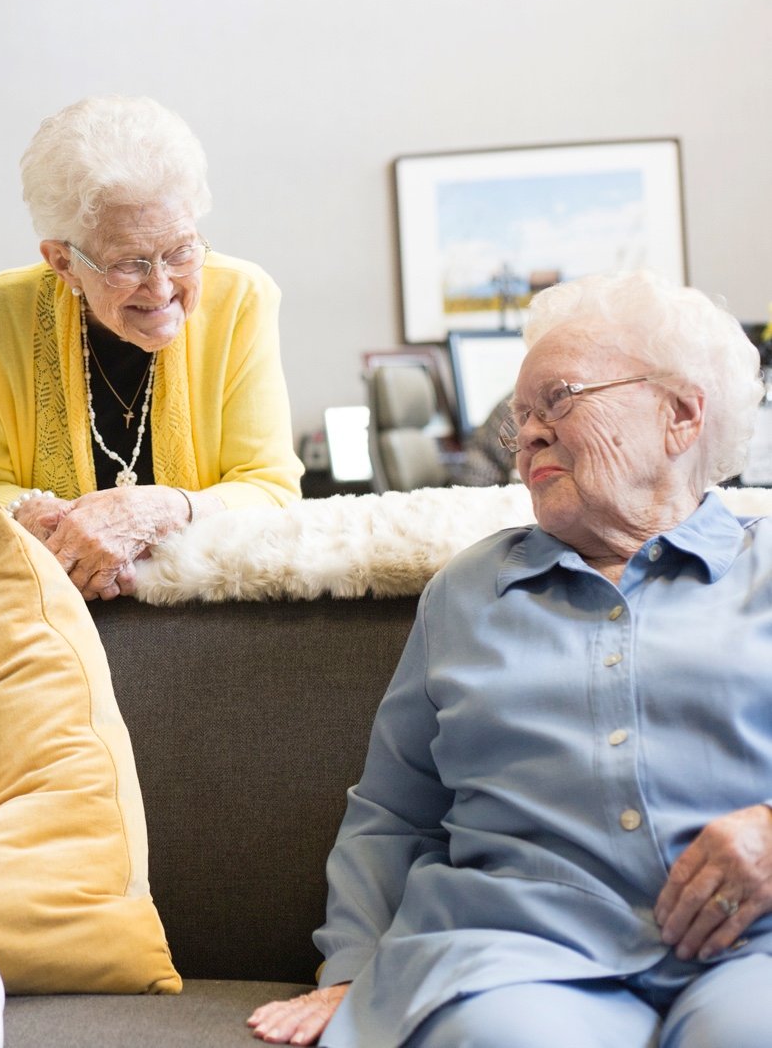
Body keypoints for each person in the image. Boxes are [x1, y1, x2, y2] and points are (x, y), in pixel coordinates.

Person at [248, 270, 772, 1047]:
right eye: (518, 417)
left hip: (752, 945)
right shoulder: (466, 592)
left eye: (558, 399)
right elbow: (394, 814)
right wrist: (354, 965)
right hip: (520, 954)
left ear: (681, 413)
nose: (526, 434)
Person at [0, 95, 302, 601]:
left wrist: (167, 509)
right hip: (54, 614)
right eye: (128, 264)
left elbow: (272, 489)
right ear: (63, 262)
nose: (161, 289)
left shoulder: (241, 298)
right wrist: (38, 515)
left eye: (180, 251)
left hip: (209, 614)